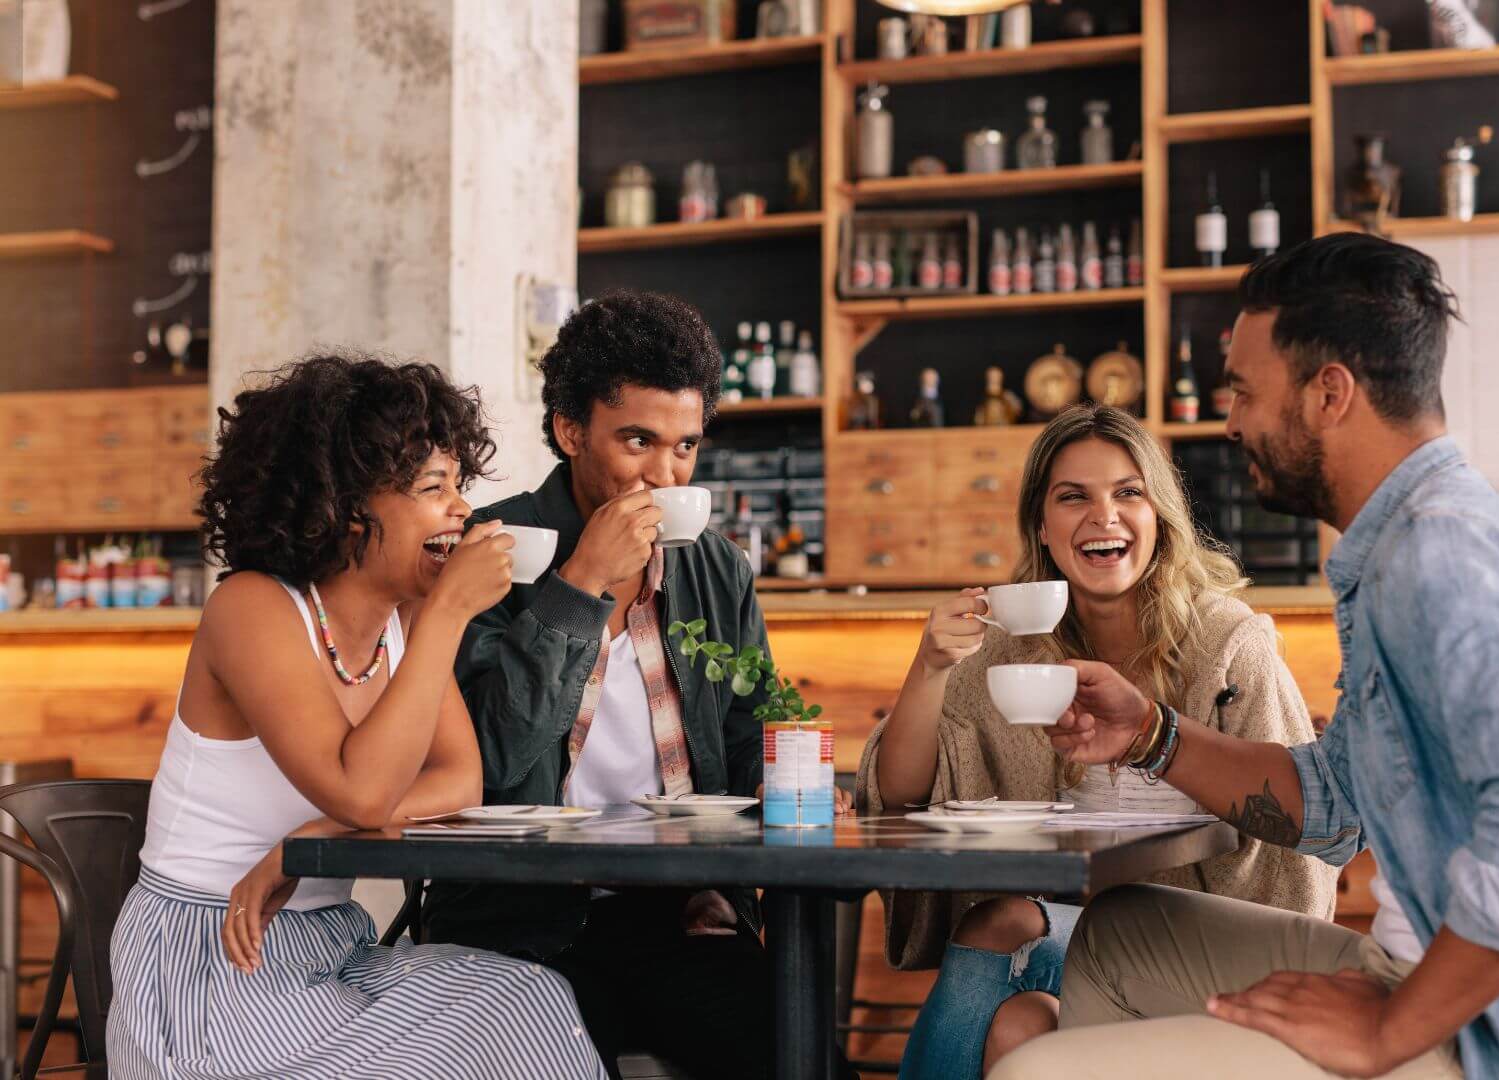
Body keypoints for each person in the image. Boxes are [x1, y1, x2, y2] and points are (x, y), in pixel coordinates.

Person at [989, 233, 1499, 1079]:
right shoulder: (1408, 542)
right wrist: (1153, 733)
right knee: (1120, 930)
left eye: (1246, 392)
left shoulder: (1440, 558)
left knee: (1031, 1068)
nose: (1230, 423)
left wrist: (1389, 1026)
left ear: (1330, 393)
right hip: (1441, 984)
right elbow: (1332, 805)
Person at [106, 355, 606, 1080]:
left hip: (327, 947)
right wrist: (449, 613)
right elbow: (363, 791)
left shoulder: (403, 621)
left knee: (527, 998)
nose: (462, 511)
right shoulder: (251, 608)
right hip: (213, 958)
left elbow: (459, 783)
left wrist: (307, 841)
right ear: (344, 507)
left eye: (459, 486)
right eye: (435, 488)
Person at [421, 291, 851, 1080]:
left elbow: (749, 732)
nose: (665, 472)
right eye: (637, 441)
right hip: (521, 922)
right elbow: (485, 761)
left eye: (685, 446)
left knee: (802, 1060)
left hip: (677, 916)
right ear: (570, 430)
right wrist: (580, 582)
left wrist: (794, 792)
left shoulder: (715, 567)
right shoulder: (492, 549)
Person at [859, 405, 1338, 1078]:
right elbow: (899, 792)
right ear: (1043, 527)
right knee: (1019, 1006)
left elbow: (1298, 855)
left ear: (1159, 517)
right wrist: (929, 667)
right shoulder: (1010, 652)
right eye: (1073, 497)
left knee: (1009, 948)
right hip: (1086, 945)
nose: (1103, 515)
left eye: (1128, 493)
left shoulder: (1229, 645)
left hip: (1212, 953)